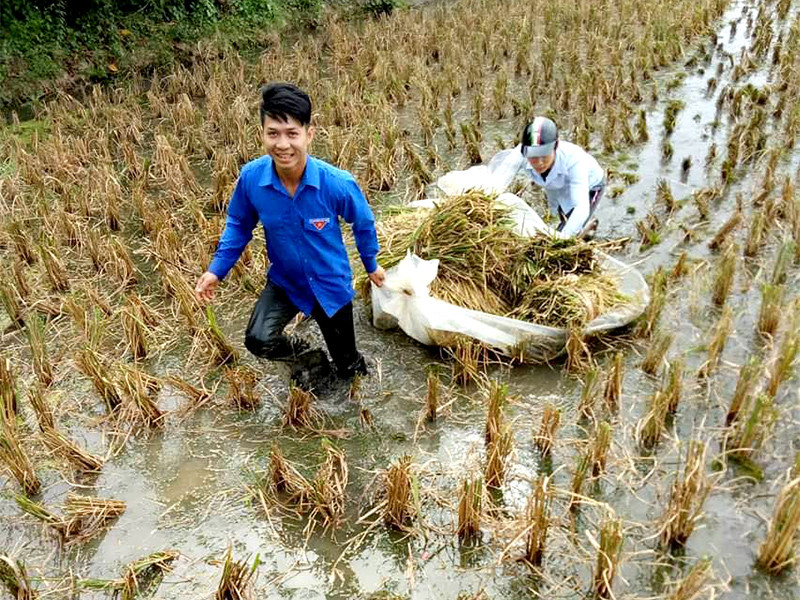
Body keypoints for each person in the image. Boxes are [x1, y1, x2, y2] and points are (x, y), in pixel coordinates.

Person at [194, 82, 386, 388]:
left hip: (329, 286)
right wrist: (216, 271)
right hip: (286, 281)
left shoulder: (337, 183)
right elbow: (239, 224)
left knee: (349, 368)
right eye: (273, 133)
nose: (282, 144)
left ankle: (354, 392)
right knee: (258, 340)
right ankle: (309, 356)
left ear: (308, 135)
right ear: (262, 134)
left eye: (291, 133)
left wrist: (371, 262)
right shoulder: (252, 179)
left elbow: (362, 221)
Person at [518, 116, 606, 238]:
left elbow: (580, 207)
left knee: (570, 227)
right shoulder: (522, 153)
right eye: (533, 156)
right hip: (560, 186)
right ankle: (586, 228)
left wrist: (561, 240)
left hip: (590, 186)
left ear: (556, 145)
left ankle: (586, 228)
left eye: (544, 155)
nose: (538, 162)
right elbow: (500, 175)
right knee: (564, 215)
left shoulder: (575, 160)